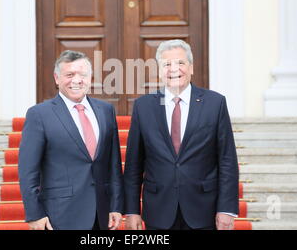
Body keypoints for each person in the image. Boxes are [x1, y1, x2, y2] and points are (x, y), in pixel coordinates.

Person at [124, 40, 239, 231]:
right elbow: (133, 165)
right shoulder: (143, 107)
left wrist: (227, 209)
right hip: (158, 211)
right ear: (159, 71)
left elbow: (227, 160)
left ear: (191, 68)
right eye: (166, 64)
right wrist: (132, 210)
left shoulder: (214, 103)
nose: (173, 69)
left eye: (180, 63)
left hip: (203, 209)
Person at [18, 51, 124, 230]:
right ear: (57, 78)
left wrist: (116, 205)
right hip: (59, 216)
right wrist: (35, 214)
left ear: (90, 78)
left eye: (82, 74)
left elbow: (113, 165)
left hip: (101, 214)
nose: (77, 80)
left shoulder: (106, 110)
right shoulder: (39, 114)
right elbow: (28, 170)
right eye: (69, 75)